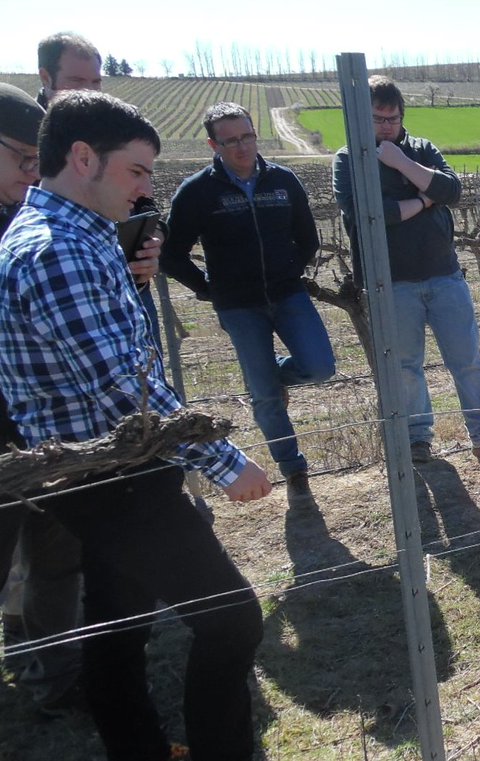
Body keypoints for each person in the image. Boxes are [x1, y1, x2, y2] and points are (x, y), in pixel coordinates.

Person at [0, 89, 270, 761]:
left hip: (104, 468)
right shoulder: (56, 251)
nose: (148, 188)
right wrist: (226, 464)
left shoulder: (73, 234)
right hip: (113, 474)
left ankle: (138, 748)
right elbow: (123, 385)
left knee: (118, 623)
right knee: (232, 619)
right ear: (83, 156)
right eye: (138, 171)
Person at [333, 76, 480, 467]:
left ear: (402, 116)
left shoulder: (421, 149)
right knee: (406, 368)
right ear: (361, 119)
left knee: (467, 359)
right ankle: (419, 441)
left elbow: (452, 190)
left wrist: (401, 163)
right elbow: (373, 215)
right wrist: (423, 198)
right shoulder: (349, 160)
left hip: (443, 274)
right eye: (377, 119)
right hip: (391, 282)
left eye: (392, 118)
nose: (386, 126)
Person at [162, 102, 335, 512]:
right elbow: (172, 254)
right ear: (213, 144)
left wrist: (290, 271)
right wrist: (207, 289)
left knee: (321, 366)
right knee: (264, 398)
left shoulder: (283, 181)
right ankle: (294, 470)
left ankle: (273, 372)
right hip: (238, 306)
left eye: (247, 137)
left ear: (256, 135)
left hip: (288, 294)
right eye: (231, 140)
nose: (242, 147)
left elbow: (307, 237)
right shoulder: (197, 192)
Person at [0, 82, 85, 715]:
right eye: (22, 159)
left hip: (41, 426)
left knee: (56, 557)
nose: (33, 175)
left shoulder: (36, 217)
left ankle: (55, 679)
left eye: (39, 161)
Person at [36, 33, 163, 349]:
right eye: (77, 81)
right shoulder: (25, 135)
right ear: (45, 77)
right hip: (58, 285)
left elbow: (144, 203)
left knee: (145, 369)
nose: (89, 92)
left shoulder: (111, 132)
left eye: (95, 82)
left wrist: (151, 242)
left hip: (125, 283)